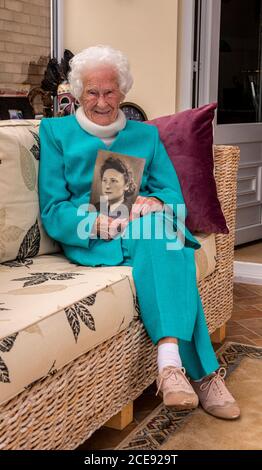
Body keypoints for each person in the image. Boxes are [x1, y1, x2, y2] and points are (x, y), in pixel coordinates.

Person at [39, 45, 240, 419]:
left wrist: (155, 203)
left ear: (123, 91)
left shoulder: (144, 136)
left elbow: (171, 193)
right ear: (79, 93)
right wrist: (97, 221)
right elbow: (53, 209)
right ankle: (204, 374)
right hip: (95, 238)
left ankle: (168, 364)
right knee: (170, 247)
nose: (101, 101)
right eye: (92, 92)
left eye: (110, 91)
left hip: (143, 229)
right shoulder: (55, 132)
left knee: (158, 230)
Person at [93, 155, 136, 220]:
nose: (107, 186)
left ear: (126, 185)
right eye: (104, 180)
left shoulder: (133, 212)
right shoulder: (95, 207)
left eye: (113, 181)